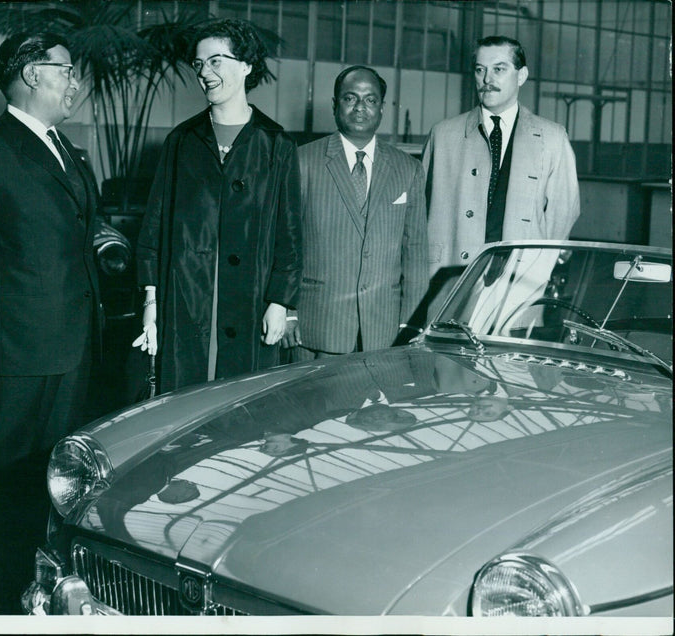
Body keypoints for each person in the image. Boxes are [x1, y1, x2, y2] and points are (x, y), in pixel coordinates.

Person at [0, 32, 101, 614]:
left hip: (72, 347)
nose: (74, 83)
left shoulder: (68, 148)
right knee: (6, 484)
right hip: (16, 352)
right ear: (33, 75)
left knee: (54, 485)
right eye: (66, 71)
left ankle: (41, 600)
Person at [134, 19, 301, 393]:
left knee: (241, 410)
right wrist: (151, 302)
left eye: (215, 61)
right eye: (198, 64)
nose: (204, 73)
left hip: (251, 304)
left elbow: (289, 234)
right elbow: (153, 229)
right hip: (187, 301)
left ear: (246, 65)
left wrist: (279, 303)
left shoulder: (277, 145)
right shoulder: (181, 141)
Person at [421, 35, 580, 318]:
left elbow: (564, 212)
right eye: (480, 69)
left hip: (519, 286)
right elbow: (421, 207)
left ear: (522, 75)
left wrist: (538, 266)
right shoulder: (443, 135)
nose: (487, 79)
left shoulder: (552, 138)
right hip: (449, 280)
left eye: (499, 68)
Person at [283, 65, 429, 359]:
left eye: (370, 99)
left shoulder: (408, 169)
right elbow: (284, 243)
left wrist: (411, 323)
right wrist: (287, 312)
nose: (360, 107)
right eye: (350, 98)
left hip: (385, 333)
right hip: (316, 330)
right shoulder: (302, 161)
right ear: (336, 106)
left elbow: (414, 252)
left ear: (382, 108)